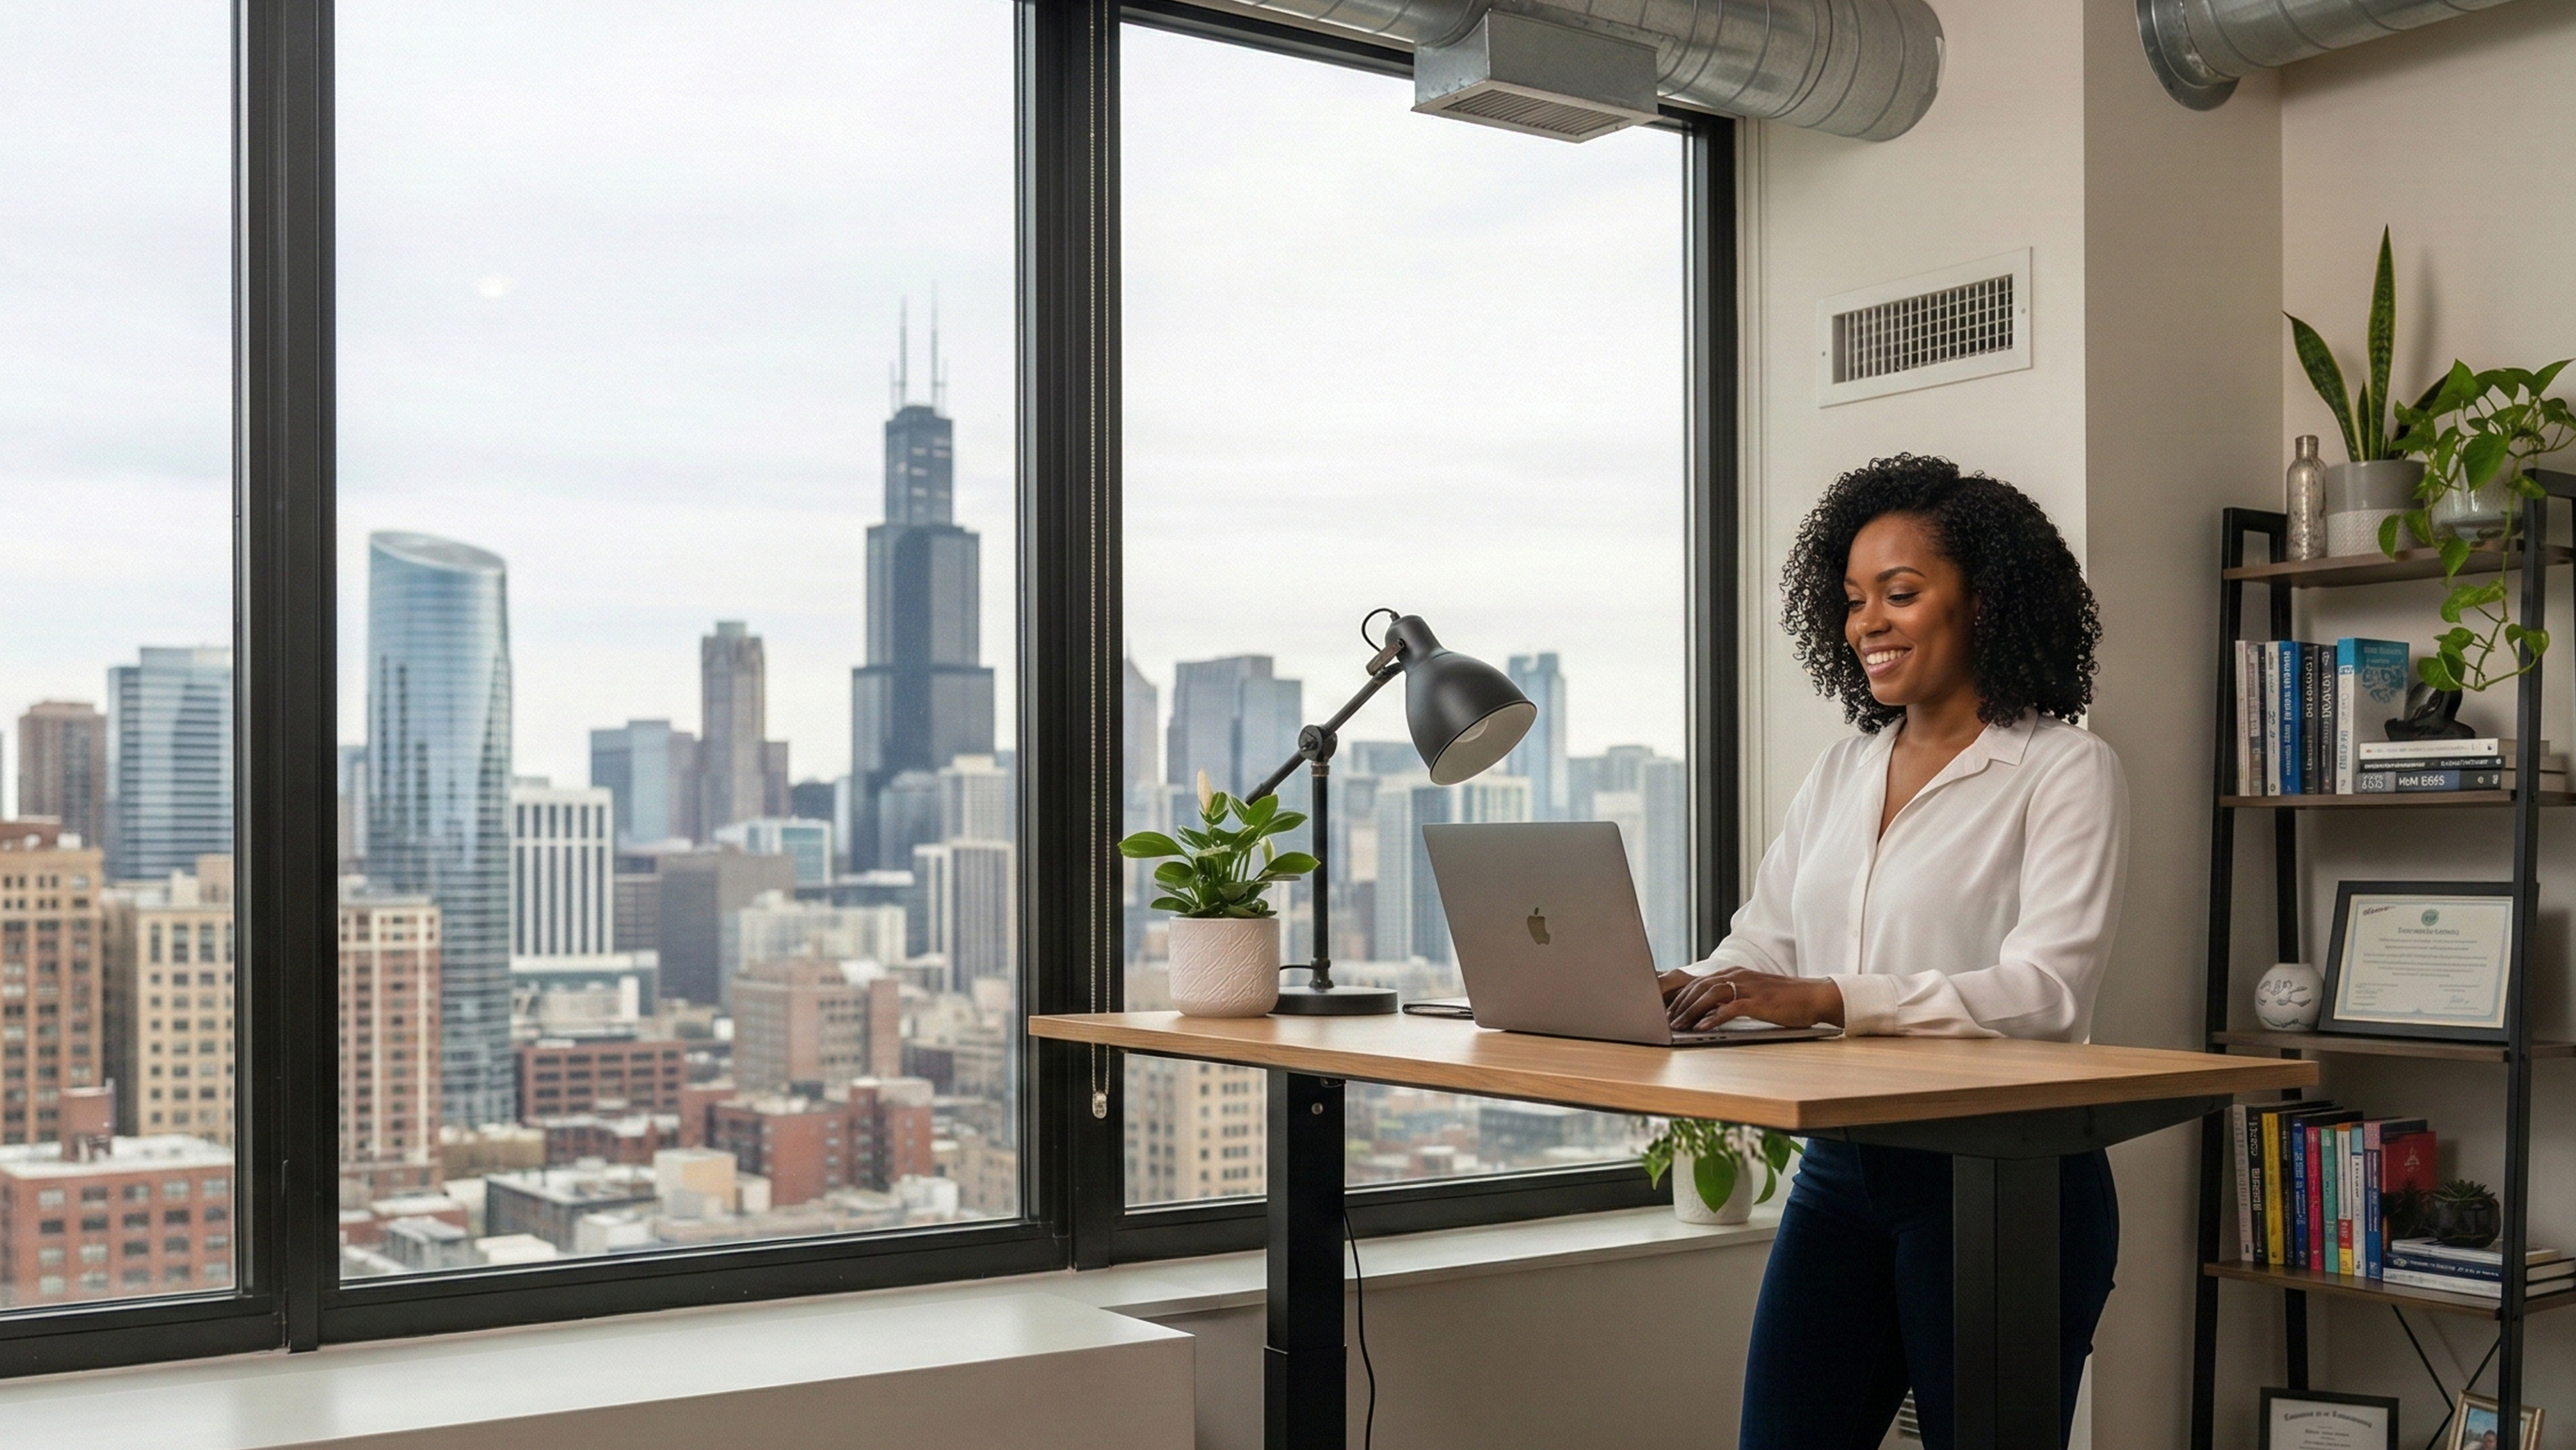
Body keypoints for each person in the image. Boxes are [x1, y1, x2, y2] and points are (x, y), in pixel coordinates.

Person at [1657, 455, 2129, 1450]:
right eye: (1855, 598)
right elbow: (1763, 940)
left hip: (2004, 1175)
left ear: (1988, 602)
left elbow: (2045, 991)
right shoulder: (1843, 768)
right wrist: (1683, 989)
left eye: (1901, 594)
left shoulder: (2064, 770)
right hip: (1844, 1171)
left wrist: (1827, 996)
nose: (1866, 621)